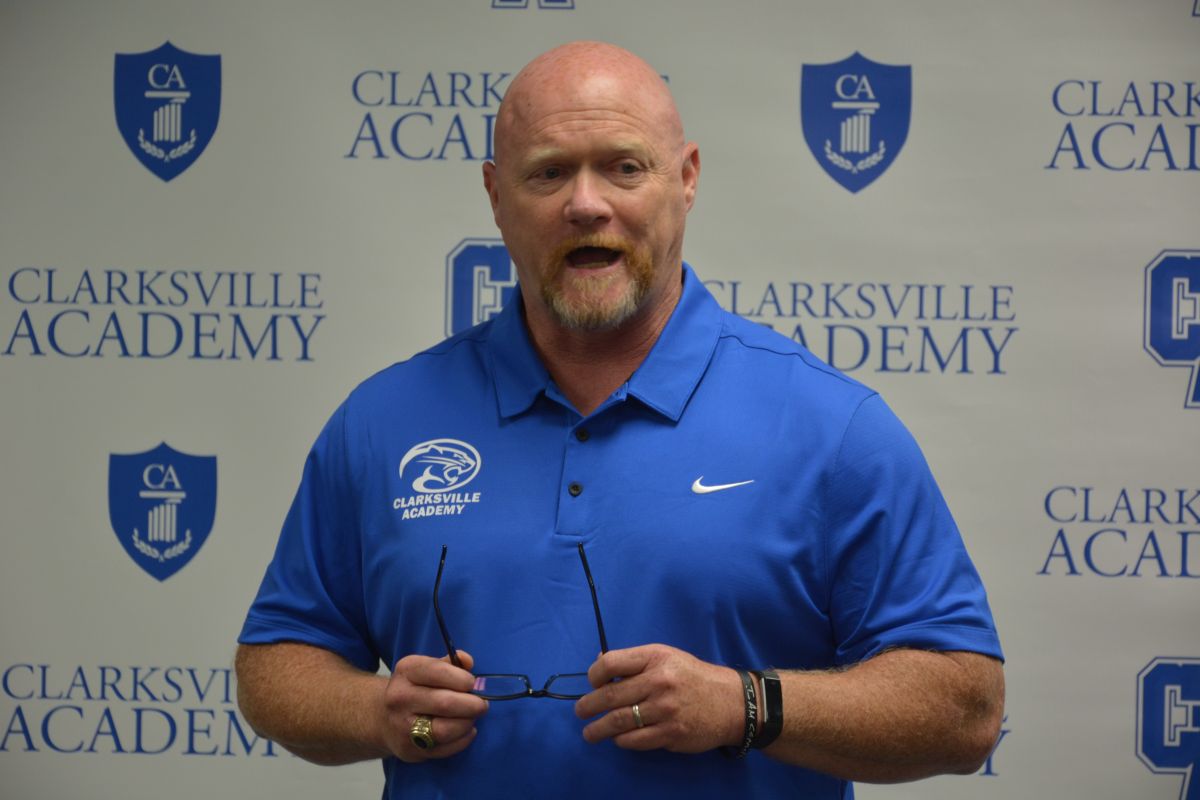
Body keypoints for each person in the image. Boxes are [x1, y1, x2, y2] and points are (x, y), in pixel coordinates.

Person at [236, 40, 1004, 799]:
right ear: (496, 196)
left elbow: (965, 709)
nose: (586, 203)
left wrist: (746, 706)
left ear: (687, 178)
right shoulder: (381, 422)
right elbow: (276, 668)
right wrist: (375, 711)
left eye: (624, 168)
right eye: (548, 173)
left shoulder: (830, 428)